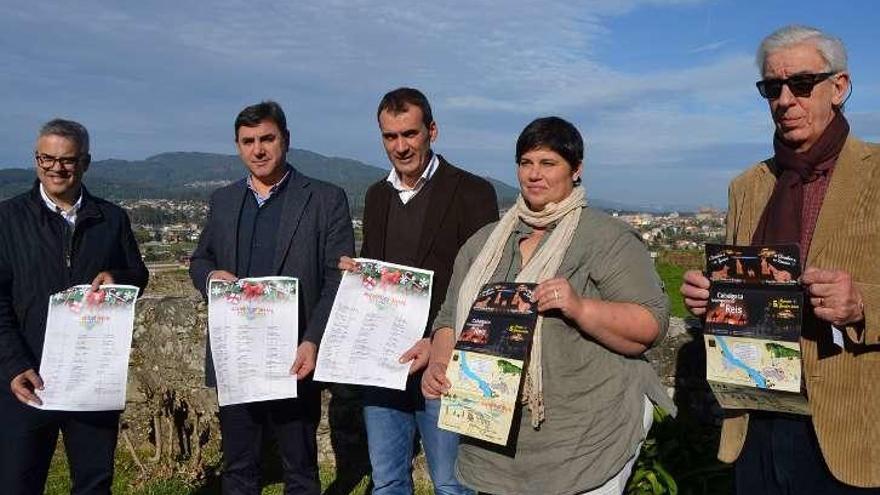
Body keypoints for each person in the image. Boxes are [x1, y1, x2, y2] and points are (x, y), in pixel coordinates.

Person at [423, 116, 673, 495]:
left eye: (548, 163)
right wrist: (440, 363)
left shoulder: (605, 238)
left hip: (583, 440)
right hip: (494, 442)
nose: (534, 174)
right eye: (526, 162)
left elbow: (650, 323)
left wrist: (580, 307)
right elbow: (448, 319)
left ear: (577, 170)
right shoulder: (484, 243)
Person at [681, 25, 880, 493]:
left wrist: (863, 305)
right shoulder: (747, 186)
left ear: (840, 87)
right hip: (755, 417)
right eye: (773, 88)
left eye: (802, 84)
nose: (785, 100)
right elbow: (740, 297)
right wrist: (710, 299)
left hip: (851, 429)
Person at [189, 101, 354, 494]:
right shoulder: (223, 200)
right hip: (238, 358)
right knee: (239, 466)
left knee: (299, 467)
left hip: (295, 356)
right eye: (248, 141)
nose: (258, 150)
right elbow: (199, 259)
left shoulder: (325, 199)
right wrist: (210, 275)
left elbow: (337, 279)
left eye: (267, 139)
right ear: (237, 145)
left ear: (286, 140)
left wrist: (313, 339)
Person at [338, 87, 497, 494]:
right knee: (387, 479)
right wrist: (360, 275)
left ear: (432, 130)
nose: (401, 146)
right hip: (383, 360)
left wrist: (438, 343)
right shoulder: (376, 196)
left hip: (443, 360)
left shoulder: (473, 192)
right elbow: (379, 272)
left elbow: (483, 283)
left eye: (410, 134)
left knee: (451, 483)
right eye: (391, 137)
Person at [0, 119, 149, 494]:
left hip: (91, 378)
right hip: (27, 378)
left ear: (85, 162)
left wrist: (118, 278)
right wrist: (14, 365)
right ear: (36, 159)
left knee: (94, 483)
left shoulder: (111, 218)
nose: (55, 168)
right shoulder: (7, 219)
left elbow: (138, 274)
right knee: (17, 482)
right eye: (45, 158)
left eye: (67, 160)